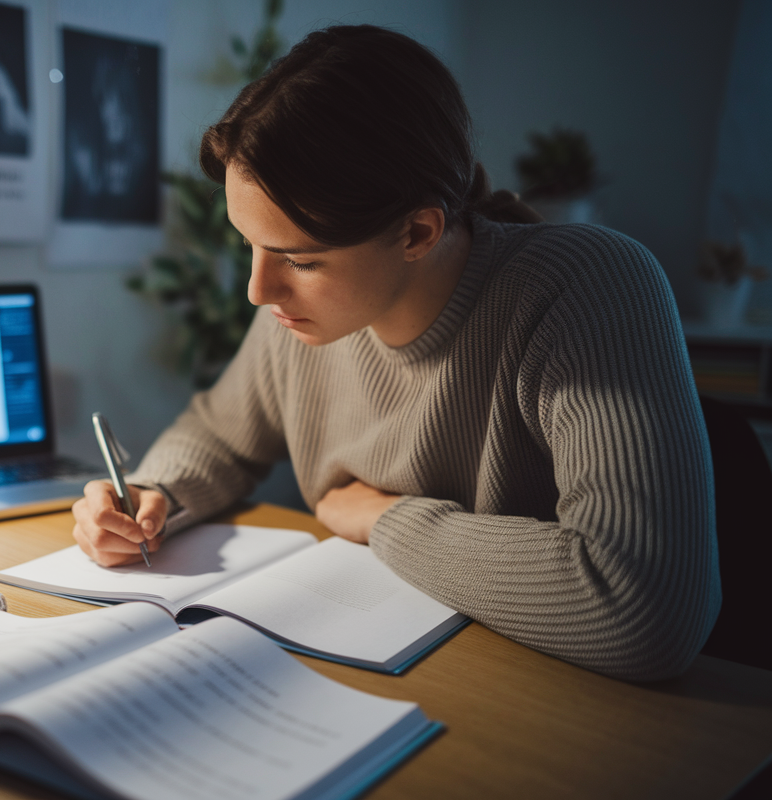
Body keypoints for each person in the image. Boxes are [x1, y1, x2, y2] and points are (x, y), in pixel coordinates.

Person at [70, 25, 720, 682]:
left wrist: (385, 518)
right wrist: (151, 495)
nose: (257, 291)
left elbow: (644, 608)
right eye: (251, 246)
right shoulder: (300, 316)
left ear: (416, 231)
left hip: (542, 696)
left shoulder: (585, 287)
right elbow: (220, 431)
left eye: (300, 258)